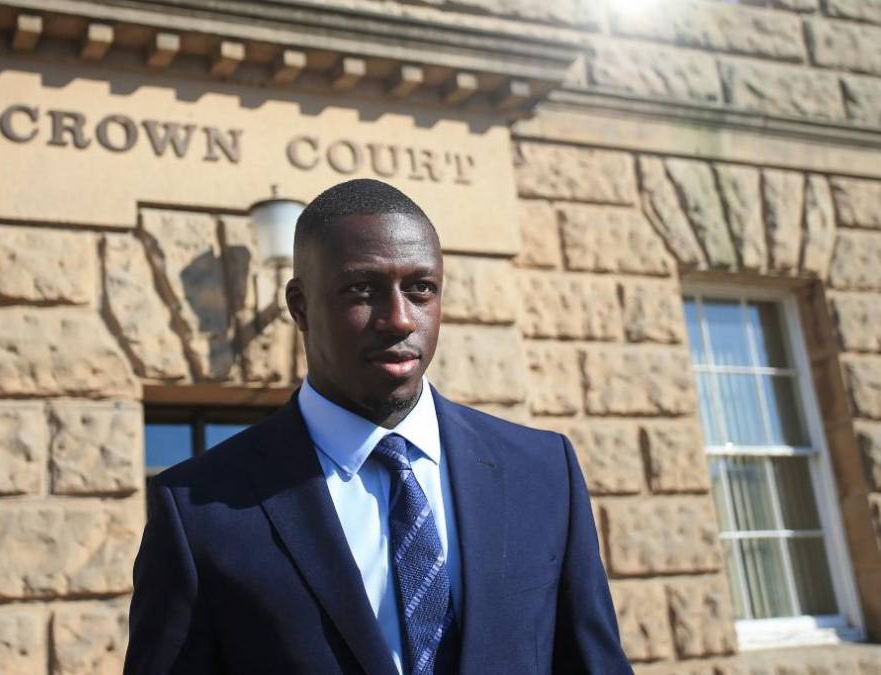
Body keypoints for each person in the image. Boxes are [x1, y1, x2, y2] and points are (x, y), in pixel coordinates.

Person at [124, 179, 631, 674]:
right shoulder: (198, 512)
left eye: (420, 289)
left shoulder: (541, 471)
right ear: (300, 305)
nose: (400, 319)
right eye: (363, 289)